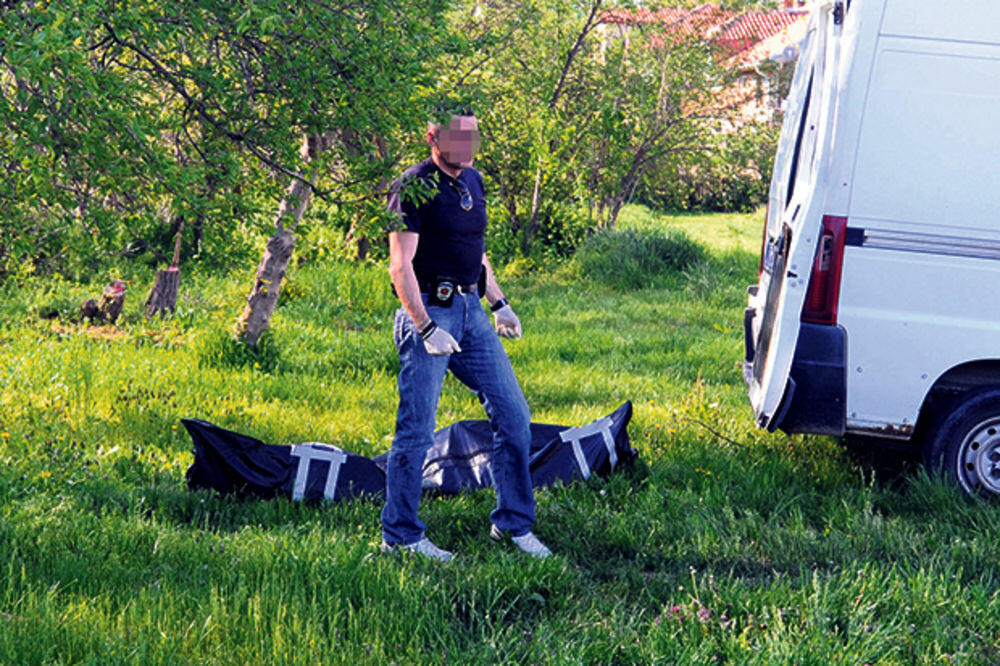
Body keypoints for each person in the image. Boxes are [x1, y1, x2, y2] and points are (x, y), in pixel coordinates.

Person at [381, 106, 551, 562]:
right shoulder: (413, 186)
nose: (469, 147)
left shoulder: (473, 182)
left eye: (473, 137)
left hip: (471, 312)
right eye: (459, 137)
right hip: (430, 313)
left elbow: (475, 253)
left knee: (514, 414)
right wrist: (425, 327)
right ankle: (401, 537)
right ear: (433, 137)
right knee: (416, 431)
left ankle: (513, 525)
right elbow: (400, 266)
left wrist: (499, 302)